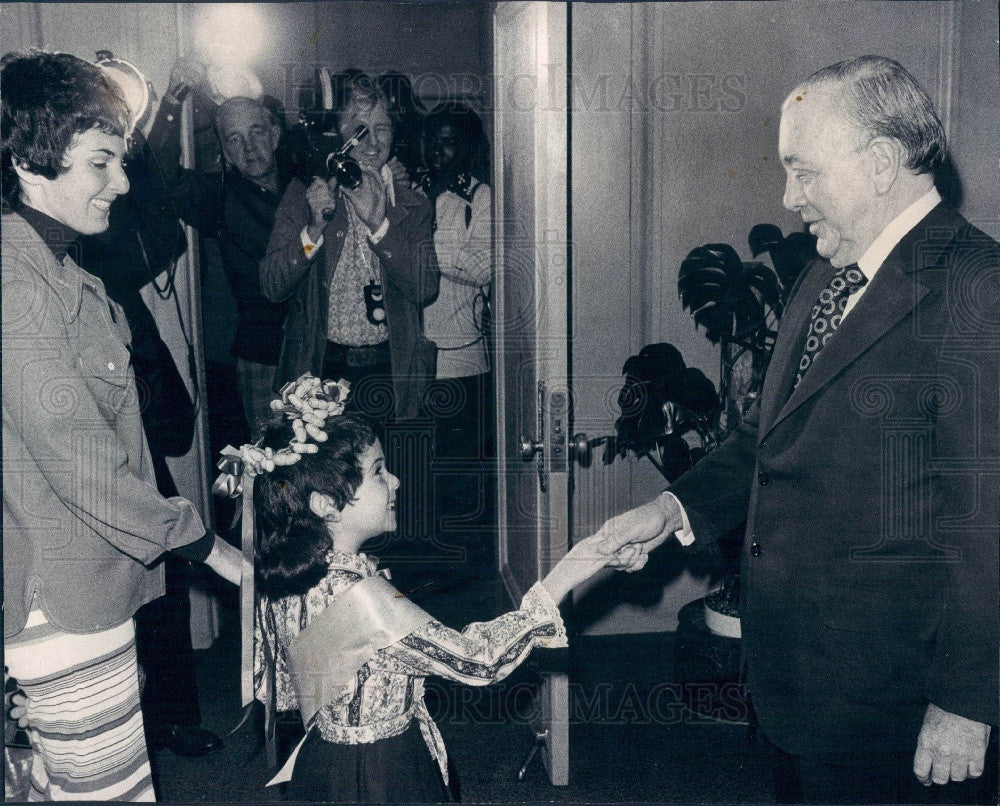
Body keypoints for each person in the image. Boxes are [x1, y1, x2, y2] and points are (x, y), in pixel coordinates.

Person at [597, 56, 999, 804]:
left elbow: (991, 527)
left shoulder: (980, 289)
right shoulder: (826, 273)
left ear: (881, 163)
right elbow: (764, 437)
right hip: (801, 688)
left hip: (903, 706)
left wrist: (968, 701)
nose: (789, 198)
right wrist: (671, 511)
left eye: (804, 171)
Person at [1, 51, 241, 801]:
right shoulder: (20, 287)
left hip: (81, 589)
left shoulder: (57, 270)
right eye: (100, 163)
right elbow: (81, 461)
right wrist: (209, 545)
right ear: (29, 165)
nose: (124, 183)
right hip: (62, 599)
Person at [227, 375, 637, 803]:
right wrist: (578, 563)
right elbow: (478, 661)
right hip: (382, 772)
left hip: (322, 763)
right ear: (326, 505)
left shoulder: (283, 575)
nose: (397, 482)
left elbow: (281, 686)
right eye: (379, 472)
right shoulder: (365, 602)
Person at [76, 118, 223, 759]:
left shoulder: (108, 211)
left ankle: (171, 715)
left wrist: (155, 129)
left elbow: (160, 242)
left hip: (132, 401)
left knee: (159, 569)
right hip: (81, 436)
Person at [260, 70, 439, 423]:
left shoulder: (413, 204)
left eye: (382, 128)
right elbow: (272, 286)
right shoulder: (306, 196)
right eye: (360, 129)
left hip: (391, 371)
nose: (373, 143)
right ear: (338, 136)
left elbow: (424, 288)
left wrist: (380, 224)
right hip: (320, 367)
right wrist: (313, 228)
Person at [147, 57, 291, 437]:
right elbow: (159, 177)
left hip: (322, 347)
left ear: (275, 135)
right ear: (224, 152)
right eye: (234, 140)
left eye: (257, 133)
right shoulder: (220, 198)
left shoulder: (307, 185)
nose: (249, 148)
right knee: (273, 464)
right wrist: (174, 100)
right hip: (264, 358)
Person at [418, 103, 495, 543]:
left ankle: (462, 566)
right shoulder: (417, 190)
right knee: (421, 468)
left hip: (462, 358)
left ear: (465, 146)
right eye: (431, 142)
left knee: (459, 470)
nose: (437, 153)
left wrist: (417, 248)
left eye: (447, 143)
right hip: (416, 353)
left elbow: (480, 266)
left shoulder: (480, 196)